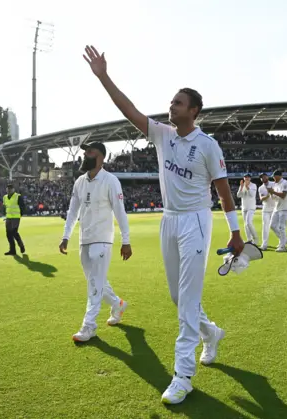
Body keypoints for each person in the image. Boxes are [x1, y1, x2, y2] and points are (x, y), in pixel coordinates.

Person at [83, 44, 244, 405]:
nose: (171, 106)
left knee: (186, 300)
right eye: (171, 102)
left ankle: (183, 375)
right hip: (168, 221)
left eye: (178, 103)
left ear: (194, 111)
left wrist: (235, 233)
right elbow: (128, 110)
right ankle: (211, 332)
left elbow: (223, 192)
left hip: (196, 222)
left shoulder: (208, 145)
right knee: (177, 297)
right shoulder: (162, 134)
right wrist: (103, 76)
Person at [60, 141, 132, 342]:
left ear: (101, 157)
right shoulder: (79, 182)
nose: (86, 155)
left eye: (90, 151)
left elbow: (120, 211)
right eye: (85, 152)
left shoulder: (111, 181)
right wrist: (66, 236)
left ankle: (88, 326)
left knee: (94, 285)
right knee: (96, 282)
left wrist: (126, 240)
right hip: (85, 239)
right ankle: (118, 304)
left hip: (103, 240)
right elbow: (73, 211)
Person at [267, 169, 287, 252]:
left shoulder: (285, 183)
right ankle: (284, 240)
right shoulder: (275, 184)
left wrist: (273, 191)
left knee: (281, 227)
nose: (273, 178)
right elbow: (274, 198)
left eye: (274, 176)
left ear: (279, 176)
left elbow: (283, 195)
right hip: (277, 208)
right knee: (272, 225)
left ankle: (283, 246)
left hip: (284, 208)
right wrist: (271, 193)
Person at [3, 183, 26, 256]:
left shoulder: (18, 196)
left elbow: (22, 206)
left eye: (10, 189)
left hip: (16, 217)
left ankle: (21, 245)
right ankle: (12, 250)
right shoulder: (5, 197)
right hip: (8, 217)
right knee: (8, 234)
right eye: (8, 189)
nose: (9, 190)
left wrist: (20, 215)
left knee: (14, 232)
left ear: (13, 189)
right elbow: (5, 207)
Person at [236, 174, 257, 244]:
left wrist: (247, 187)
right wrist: (242, 187)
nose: (247, 179)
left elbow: (252, 194)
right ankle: (249, 239)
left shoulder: (253, 185)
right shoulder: (242, 185)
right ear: (244, 178)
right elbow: (238, 195)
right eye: (245, 177)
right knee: (245, 224)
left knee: (248, 223)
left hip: (251, 207)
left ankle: (255, 238)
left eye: (248, 177)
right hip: (244, 207)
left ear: (250, 178)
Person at [258, 173, 275, 250]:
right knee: (265, 227)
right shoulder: (261, 188)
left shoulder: (274, 184)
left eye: (264, 176)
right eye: (261, 178)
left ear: (267, 177)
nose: (263, 178)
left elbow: (277, 195)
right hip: (265, 209)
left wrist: (272, 192)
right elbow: (261, 198)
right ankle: (264, 245)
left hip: (274, 208)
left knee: (276, 226)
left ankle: (283, 241)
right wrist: (268, 195)